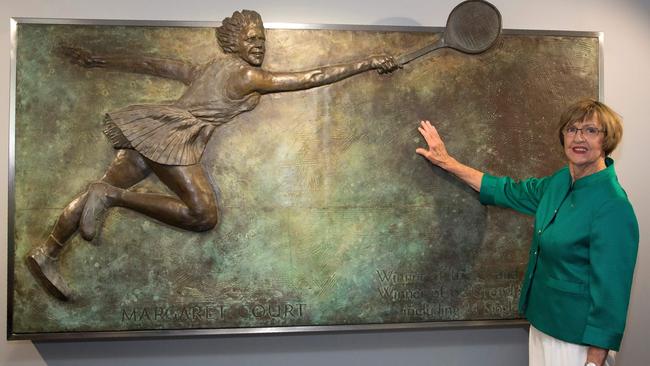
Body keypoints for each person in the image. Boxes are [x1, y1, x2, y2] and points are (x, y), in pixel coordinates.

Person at [26, 9, 399, 301]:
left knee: (103, 182)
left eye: (263, 40)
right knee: (202, 214)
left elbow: (154, 65)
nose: (259, 46)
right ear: (234, 43)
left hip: (151, 129)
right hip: (174, 136)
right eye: (252, 40)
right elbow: (311, 77)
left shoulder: (207, 68)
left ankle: (48, 250)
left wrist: (100, 59)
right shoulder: (247, 76)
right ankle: (113, 198)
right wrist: (366, 63)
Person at [415, 99, 638, 366]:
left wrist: (594, 361)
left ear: (607, 140)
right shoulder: (559, 182)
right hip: (543, 326)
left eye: (591, 130)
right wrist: (448, 162)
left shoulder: (613, 205)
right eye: (571, 129)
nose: (579, 138)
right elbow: (506, 190)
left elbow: (612, 294)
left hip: (577, 341)